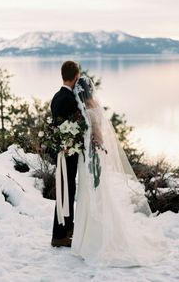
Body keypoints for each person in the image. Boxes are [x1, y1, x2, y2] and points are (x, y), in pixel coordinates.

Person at [70, 75, 171, 267]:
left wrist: (92, 141)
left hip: (91, 157)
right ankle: (87, 238)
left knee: (92, 193)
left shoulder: (88, 109)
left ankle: (93, 238)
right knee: (91, 193)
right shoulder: (92, 106)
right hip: (90, 156)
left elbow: (97, 134)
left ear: (80, 91)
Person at [50, 60, 80, 247]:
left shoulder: (56, 96)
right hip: (67, 153)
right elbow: (72, 128)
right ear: (76, 76)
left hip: (64, 151)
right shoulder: (68, 100)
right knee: (64, 191)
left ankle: (68, 227)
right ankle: (58, 235)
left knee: (68, 190)